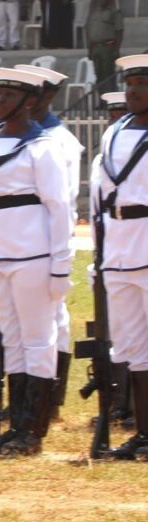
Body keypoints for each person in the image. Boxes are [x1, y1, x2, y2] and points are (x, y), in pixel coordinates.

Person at [0, 67, 71, 457]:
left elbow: (59, 207)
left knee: (38, 339)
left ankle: (33, 429)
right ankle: (15, 425)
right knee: (12, 340)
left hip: (32, 253)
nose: (0, 102)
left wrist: (61, 264)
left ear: (30, 102)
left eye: (10, 96)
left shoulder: (42, 146)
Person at [17, 64, 83, 418]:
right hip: (21, 241)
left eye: (39, 93)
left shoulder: (60, 141)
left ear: (49, 96)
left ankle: (49, 399)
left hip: (46, 239)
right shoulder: (21, 135)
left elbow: (63, 201)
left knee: (54, 317)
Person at [97, 56, 148, 458]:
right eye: (129, 84)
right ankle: (142, 433)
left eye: (141, 84)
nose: (132, 92)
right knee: (130, 345)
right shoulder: (114, 132)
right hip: (118, 245)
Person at [86, 0, 123, 80]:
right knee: (98, 75)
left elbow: (119, 32)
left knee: (108, 75)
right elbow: (89, 30)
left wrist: (116, 50)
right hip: (95, 48)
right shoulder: (94, 13)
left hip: (108, 48)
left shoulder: (115, 12)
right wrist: (89, 49)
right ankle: (101, 92)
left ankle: (109, 92)